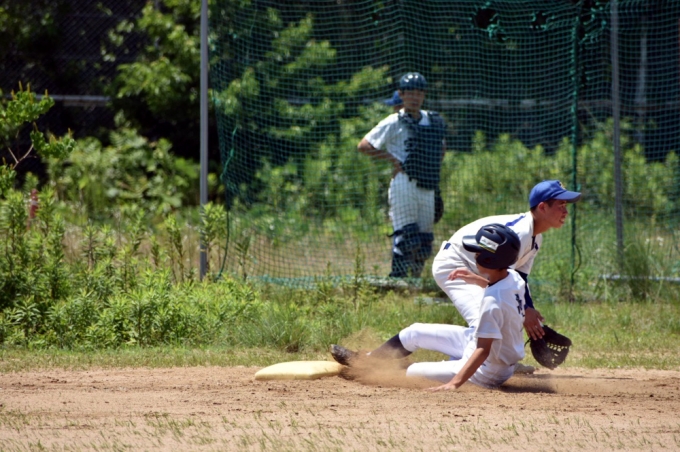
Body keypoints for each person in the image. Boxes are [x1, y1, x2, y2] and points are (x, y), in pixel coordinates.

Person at [330, 223, 527, 390]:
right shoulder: (513, 277)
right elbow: (501, 292)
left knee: (411, 373)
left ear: (489, 260)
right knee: (414, 332)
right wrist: (477, 279)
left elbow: (483, 350)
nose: (474, 254)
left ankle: (376, 370)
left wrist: (454, 383)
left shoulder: (492, 303)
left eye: (478, 252)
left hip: (487, 370)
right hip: (485, 349)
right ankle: (367, 360)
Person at [432, 180, 581, 342]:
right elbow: (503, 282)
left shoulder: (536, 237)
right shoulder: (520, 233)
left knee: (500, 322)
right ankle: (416, 337)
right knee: (483, 325)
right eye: (561, 205)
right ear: (542, 207)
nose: (566, 211)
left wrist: (529, 310)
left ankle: (491, 358)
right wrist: (524, 311)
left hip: (476, 268)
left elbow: (519, 277)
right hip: (455, 265)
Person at [358, 72, 447, 278]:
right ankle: (397, 282)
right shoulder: (394, 121)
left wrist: (429, 166)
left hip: (427, 184)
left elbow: (441, 147)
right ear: (401, 94)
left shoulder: (432, 120)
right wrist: (392, 159)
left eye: (419, 93)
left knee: (424, 242)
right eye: (410, 93)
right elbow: (364, 145)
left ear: (424, 95)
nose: (414, 97)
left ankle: (414, 283)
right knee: (407, 238)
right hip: (404, 182)